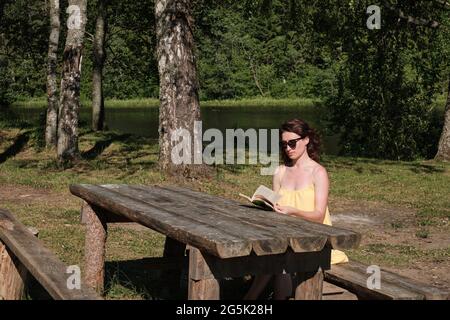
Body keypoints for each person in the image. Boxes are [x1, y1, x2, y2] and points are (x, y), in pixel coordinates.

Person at [243, 118, 348, 300]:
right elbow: (275, 208)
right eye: (284, 144)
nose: (288, 148)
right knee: (277, 254)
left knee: (279, 258)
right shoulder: (280, 172)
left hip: (316, 241)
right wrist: (267, 206)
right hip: (286, 238)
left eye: (292, 143)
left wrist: (293, 211)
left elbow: (319, 215)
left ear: (306, 140)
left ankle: (248, 301)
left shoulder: (318, 172)